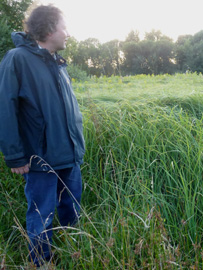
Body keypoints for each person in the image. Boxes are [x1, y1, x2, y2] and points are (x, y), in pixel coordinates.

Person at [0, 5, 85, 267]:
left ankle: (76, 253)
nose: (68, 33)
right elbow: (5, 108)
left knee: (72, 211)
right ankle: (41, 263)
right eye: (64, 27)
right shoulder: (17, 59)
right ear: (49, 29)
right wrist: (15, 156)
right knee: (41, 215)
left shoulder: (58, 63)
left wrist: (77, 148)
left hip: (68, 156)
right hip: (41, 161)